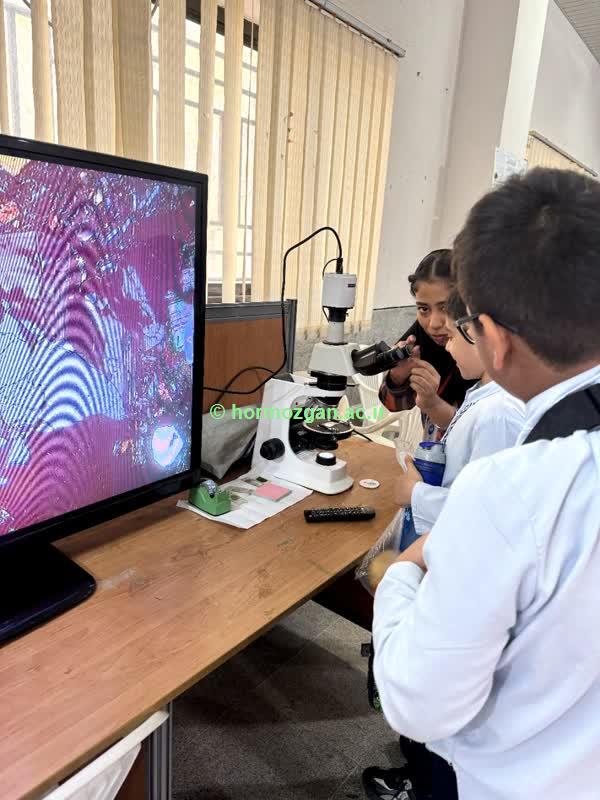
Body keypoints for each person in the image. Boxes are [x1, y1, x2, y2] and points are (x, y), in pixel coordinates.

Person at [370, 167, 600, 800]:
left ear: (493, 338)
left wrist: (400, 573)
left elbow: (418, 701)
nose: (442, 331)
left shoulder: (513, 489)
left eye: (460, 324)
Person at [362, 289, 524, 800]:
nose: (444, 342)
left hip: (448, 563)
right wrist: (430, 406)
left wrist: (415, 494)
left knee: (434, 710)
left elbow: (479, 513)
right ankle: (416, 772)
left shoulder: (499, 412)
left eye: (453, 333)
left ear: (486, 334)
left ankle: (425, 782)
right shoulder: (483, 394)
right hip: (440, 546)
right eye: (423, 310)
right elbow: (463, 453)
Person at [378, 250, 475, 438]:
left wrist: (432, 403)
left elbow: (475, 432)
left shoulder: (485, 350)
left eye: (445, 307)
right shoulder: (418, 339)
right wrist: (397, 377)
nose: (434, 324)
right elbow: (391, 404)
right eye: (424, 309)